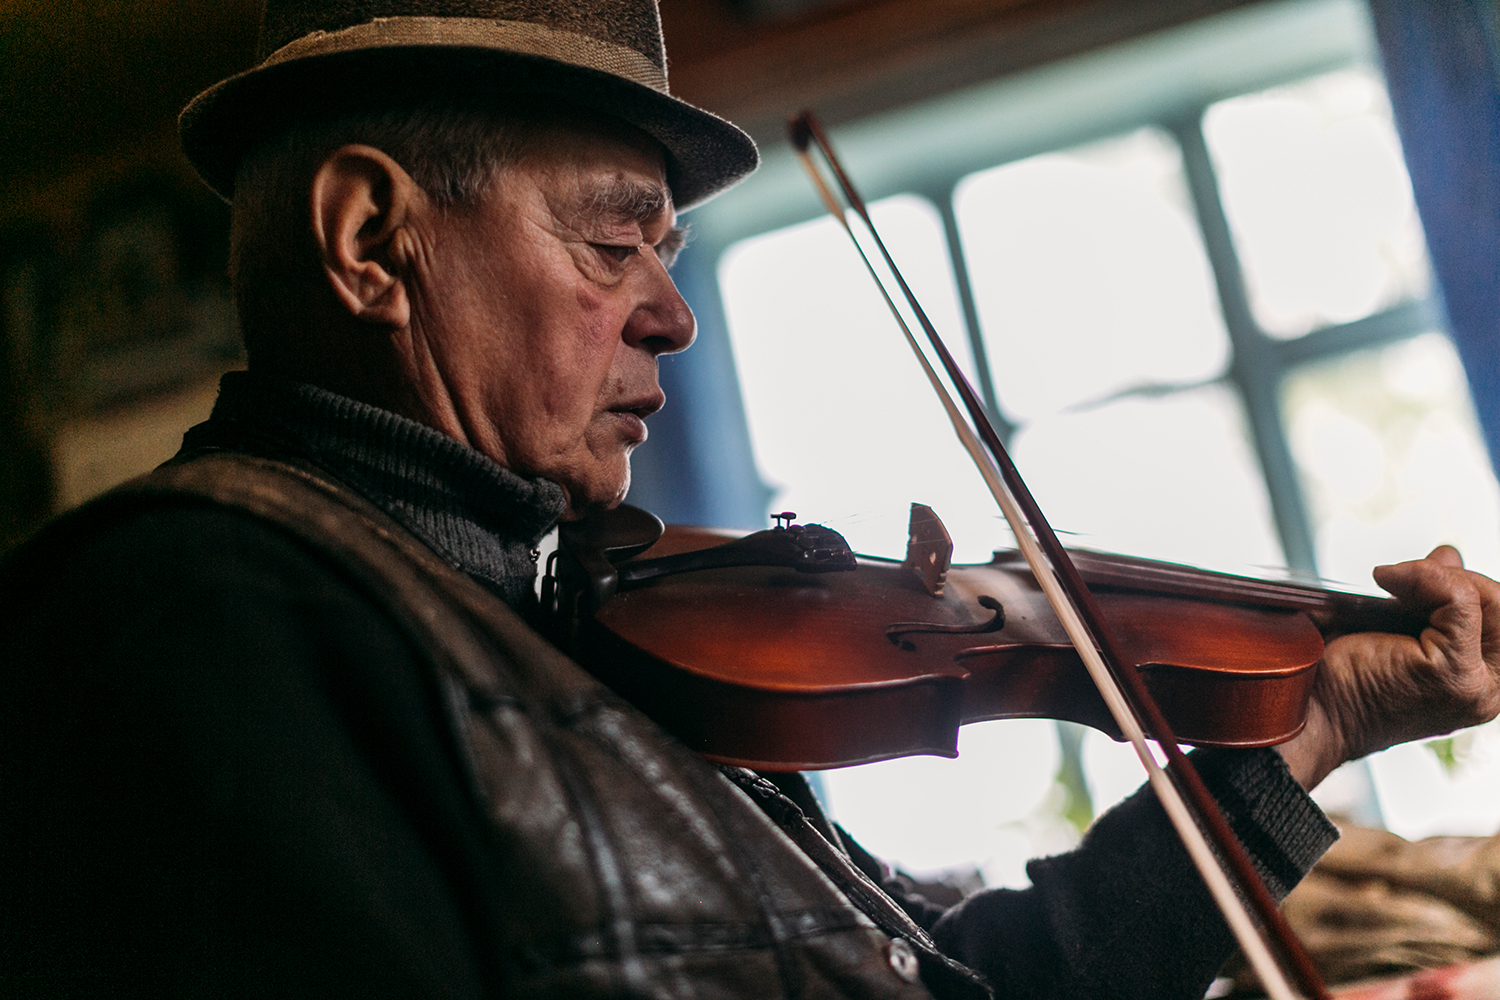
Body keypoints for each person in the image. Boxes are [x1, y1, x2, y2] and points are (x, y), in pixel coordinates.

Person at [2, 2, 1497, 998]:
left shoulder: (578, 621)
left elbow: (956, 987)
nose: (673, 320)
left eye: (676, 258)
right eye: (611, 245)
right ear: (373, 240)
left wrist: (1312, 728)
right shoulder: (197, 618)